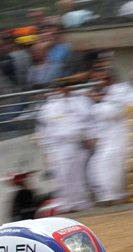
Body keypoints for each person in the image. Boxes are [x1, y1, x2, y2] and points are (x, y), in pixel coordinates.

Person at [36, 77, 96, 213]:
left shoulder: (82, 101)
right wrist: (46, 150)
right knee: (62, 177)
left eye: (66, 86)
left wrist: (90, 139)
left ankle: (83, 205)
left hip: (78, 144)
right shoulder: (48, 107)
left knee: (80, 176)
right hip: (57, 146)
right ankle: (69, 206)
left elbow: (89, 122)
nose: (63, 89)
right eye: (60, 87)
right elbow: (43, 130)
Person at [88, 71, 133, 205]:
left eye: (102, 79)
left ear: (109, 79)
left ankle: (118, 197)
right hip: (107, 137)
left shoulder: (122, 90)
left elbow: (114, 112)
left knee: (114, 166)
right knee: (96, 167)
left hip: (120, 135)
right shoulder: (107, 94)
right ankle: (108, 197)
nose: (100, 83)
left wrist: (99, 102)